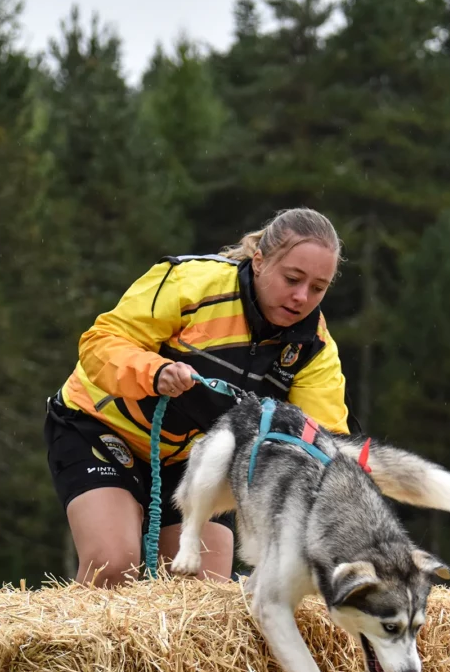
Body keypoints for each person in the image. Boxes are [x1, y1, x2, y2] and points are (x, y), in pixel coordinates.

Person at [45, 207, 350, 587]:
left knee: (203, 591)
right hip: (100, 428)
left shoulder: (313, 347)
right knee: (113, 564)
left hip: (198, 457)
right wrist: (153, 372)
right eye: (292, 278)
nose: (301, 297)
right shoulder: (191, 282)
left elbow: (321, 441)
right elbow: (100, 343)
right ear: (259, 261)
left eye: (318, 288)